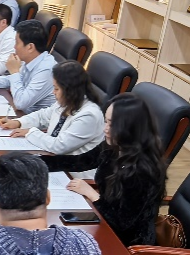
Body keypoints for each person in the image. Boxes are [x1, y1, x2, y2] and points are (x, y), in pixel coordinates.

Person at [44, 94, 168, 246]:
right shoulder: (115, 146)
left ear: (130, 127)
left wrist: (91, 193)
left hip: (127, 243)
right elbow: (79, 162)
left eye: (112, 124)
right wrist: (33, 162)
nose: (105, 129)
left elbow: (122, 222)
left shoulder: (144, 171)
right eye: (106, 121)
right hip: (103, 220)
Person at [0, 61, 104, 178]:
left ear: (70, 90)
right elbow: (43, 116)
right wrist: (19, 122)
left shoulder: (89, 115)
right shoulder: (68, 101)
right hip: (53, 159)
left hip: (73, 174)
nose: (53, 92)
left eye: (56, 89)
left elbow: (59, 146)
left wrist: (30, 132)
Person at [0, 19, 56, 113]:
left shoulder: (46, 69)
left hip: (34, 118)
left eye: (17, 43)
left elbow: (21, 103)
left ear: (30, 47)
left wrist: (14, 72)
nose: (14, 47)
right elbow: (9, 80)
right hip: (23, 113)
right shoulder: (32, 59)